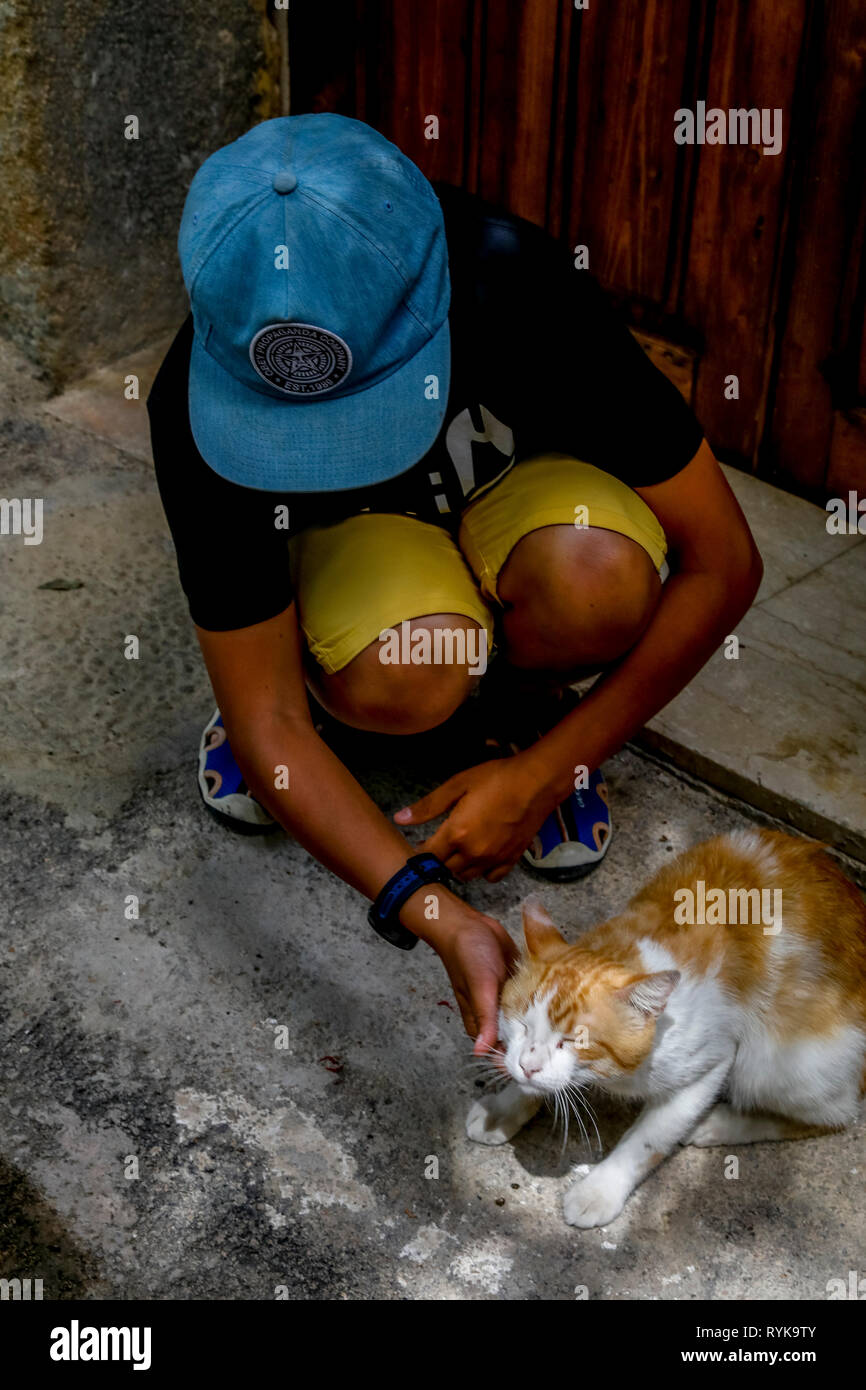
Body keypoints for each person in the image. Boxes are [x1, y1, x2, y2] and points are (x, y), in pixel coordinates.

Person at [147, 113, 762, 1052]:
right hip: (365, 548)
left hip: (509, 494)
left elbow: (725, 561)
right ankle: (321, 676)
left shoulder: (512, 278)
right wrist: (429, 909)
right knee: (404, 673)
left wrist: (546, 774)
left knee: (596, 581)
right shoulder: (189, 401)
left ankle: (524, 714)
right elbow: (269, 721)